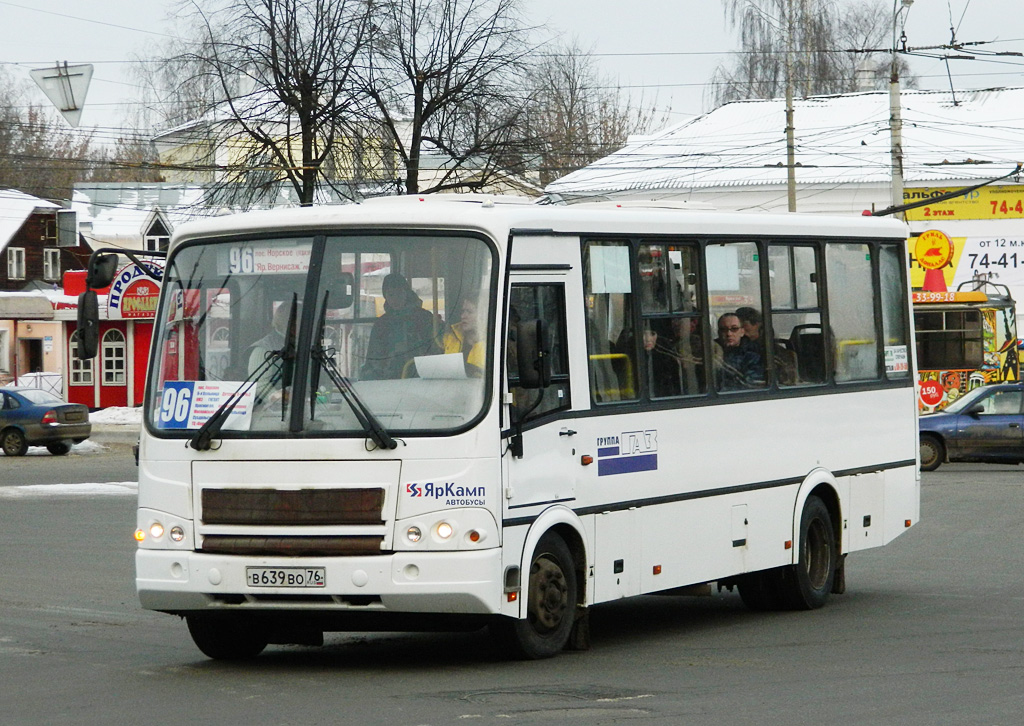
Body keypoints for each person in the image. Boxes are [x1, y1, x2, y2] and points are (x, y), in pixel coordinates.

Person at [362, 273, 439, 379]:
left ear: (406, 293)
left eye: (399, 294)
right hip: (389, 380)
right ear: (385, 296)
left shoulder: (424, 318)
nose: (395, 299)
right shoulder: (382, 324)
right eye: (391, 295)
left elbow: (435, 350)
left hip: (422, 376)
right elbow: (373, 358)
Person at [714, 312, 764, 390]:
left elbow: (752, 385)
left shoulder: (753, 355)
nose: (728, 334)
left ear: (742, 332)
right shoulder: (710, 350)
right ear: (718, 332)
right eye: (723, 329)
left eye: (734, 329)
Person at [443, 296, 485, 376]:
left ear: (483, 314)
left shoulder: (495, 339)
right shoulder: (451, 337)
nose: (463, 316)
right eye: (462, 312)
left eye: (469, 312)